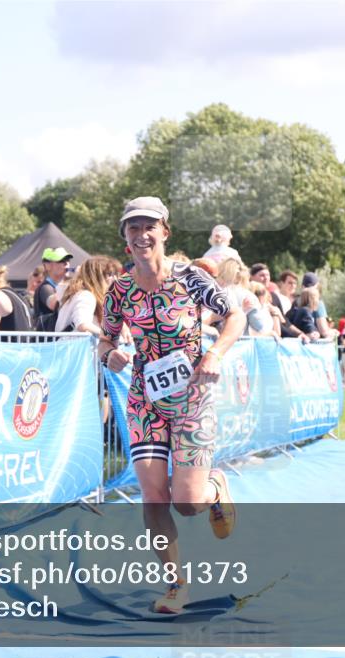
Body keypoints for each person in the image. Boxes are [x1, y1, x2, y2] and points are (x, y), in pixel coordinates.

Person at [98, 196, 244, 615]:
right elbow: (106, 338)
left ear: (165, 232)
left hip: (192, 397)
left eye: (149, 227)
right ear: (125, 238)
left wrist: (214, 354)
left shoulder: (191, 278)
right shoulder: (120, 290)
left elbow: (234, 317)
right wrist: (111, 355)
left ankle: (213, 486)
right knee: (153, 496)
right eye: (133, 228)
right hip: (145, 398)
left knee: (187, 502)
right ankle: (176, 585)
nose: (141, 235)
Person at [55, 255, 121, 335]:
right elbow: (83, 325)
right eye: (110, 274)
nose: (114, 278)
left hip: (73, 345)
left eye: (115, 274)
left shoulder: (80, 293)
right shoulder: (86, 296)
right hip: (74, 346)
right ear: (97, 277)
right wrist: (111, 335)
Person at [33, 247, 72, 331]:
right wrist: (72, 282)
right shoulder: (45, 287)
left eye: (68, 260)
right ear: (47, 266)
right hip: (47, 341)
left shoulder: (69, 284)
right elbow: (54, 305)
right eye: (61, 260)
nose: (66, 263)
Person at [301, 272, 334, 338]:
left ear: (303, 286)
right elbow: (324, 332)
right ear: (316, 286)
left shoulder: (296, 302)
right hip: (314, 344)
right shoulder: (318, 303)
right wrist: (333, 332)